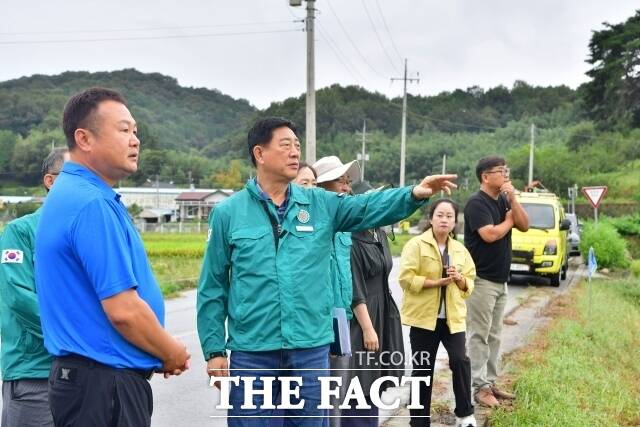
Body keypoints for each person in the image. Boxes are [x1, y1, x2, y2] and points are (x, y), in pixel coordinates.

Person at [197, 116, 457, 426]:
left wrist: (413, 194)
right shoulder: (229, 213)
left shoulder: (321, 204)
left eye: (297, 145)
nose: (295, 152)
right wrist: (214, 350)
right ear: (259, 153)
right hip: (253, 352)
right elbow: (213, 286)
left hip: (309, 349)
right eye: (285, 145)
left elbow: (367, 207)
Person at [35, 87, 190, 426]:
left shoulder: (76, 193)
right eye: (124, 130)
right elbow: (124, 311)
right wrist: (170, 352)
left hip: (91, 384)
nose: (135, 140)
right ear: (84, 139)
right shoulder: (91, 203)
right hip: (104, 389)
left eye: (135, 131)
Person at [0, 148, 69, 427]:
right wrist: (76, 337)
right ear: (50, 181)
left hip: (82, 375)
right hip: (35, 375)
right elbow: (20, 298)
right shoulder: (21, 231)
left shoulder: (86, 233)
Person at [399, 199, 477, 427]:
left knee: (460, 360)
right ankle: (419, 420)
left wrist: (460, 279)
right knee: (422, 369)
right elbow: (405, 278)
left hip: (453, 319)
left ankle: (465, 414)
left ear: (455, 221)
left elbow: (470, 283)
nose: (444, 220)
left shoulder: (460, 250)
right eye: (440, 215)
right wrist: (435, 282)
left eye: (449, 216)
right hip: (424, 320)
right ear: (431, 218)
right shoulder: (416, 245)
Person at [463, 156, 528, 408]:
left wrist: (513, 199)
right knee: (479, 334)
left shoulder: (503, 199)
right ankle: (479, 387)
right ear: (485, 176)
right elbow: (489, 234)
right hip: (481, 279)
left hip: (501, 280)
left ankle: (490, 382)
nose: (505, 175)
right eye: (500, 171)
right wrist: (509, 220)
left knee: (495, 334)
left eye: (506, 170)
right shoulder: (476, 203)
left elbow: (524, 224)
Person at [342, 183, 405, 427]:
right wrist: (368, 328)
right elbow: (355, 289)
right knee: (359, 380)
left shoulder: (378, 232)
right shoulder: (352, 238)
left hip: (383, 312)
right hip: (363, 318)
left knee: (377, 381)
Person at [313, 155, 360, 427]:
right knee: (313, 397)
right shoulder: (309, 226)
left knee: (335, 397)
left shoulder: (345, 229)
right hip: (317, 319)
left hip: (340, 316)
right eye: (339, 181)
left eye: (347, 182)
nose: (346, 187)